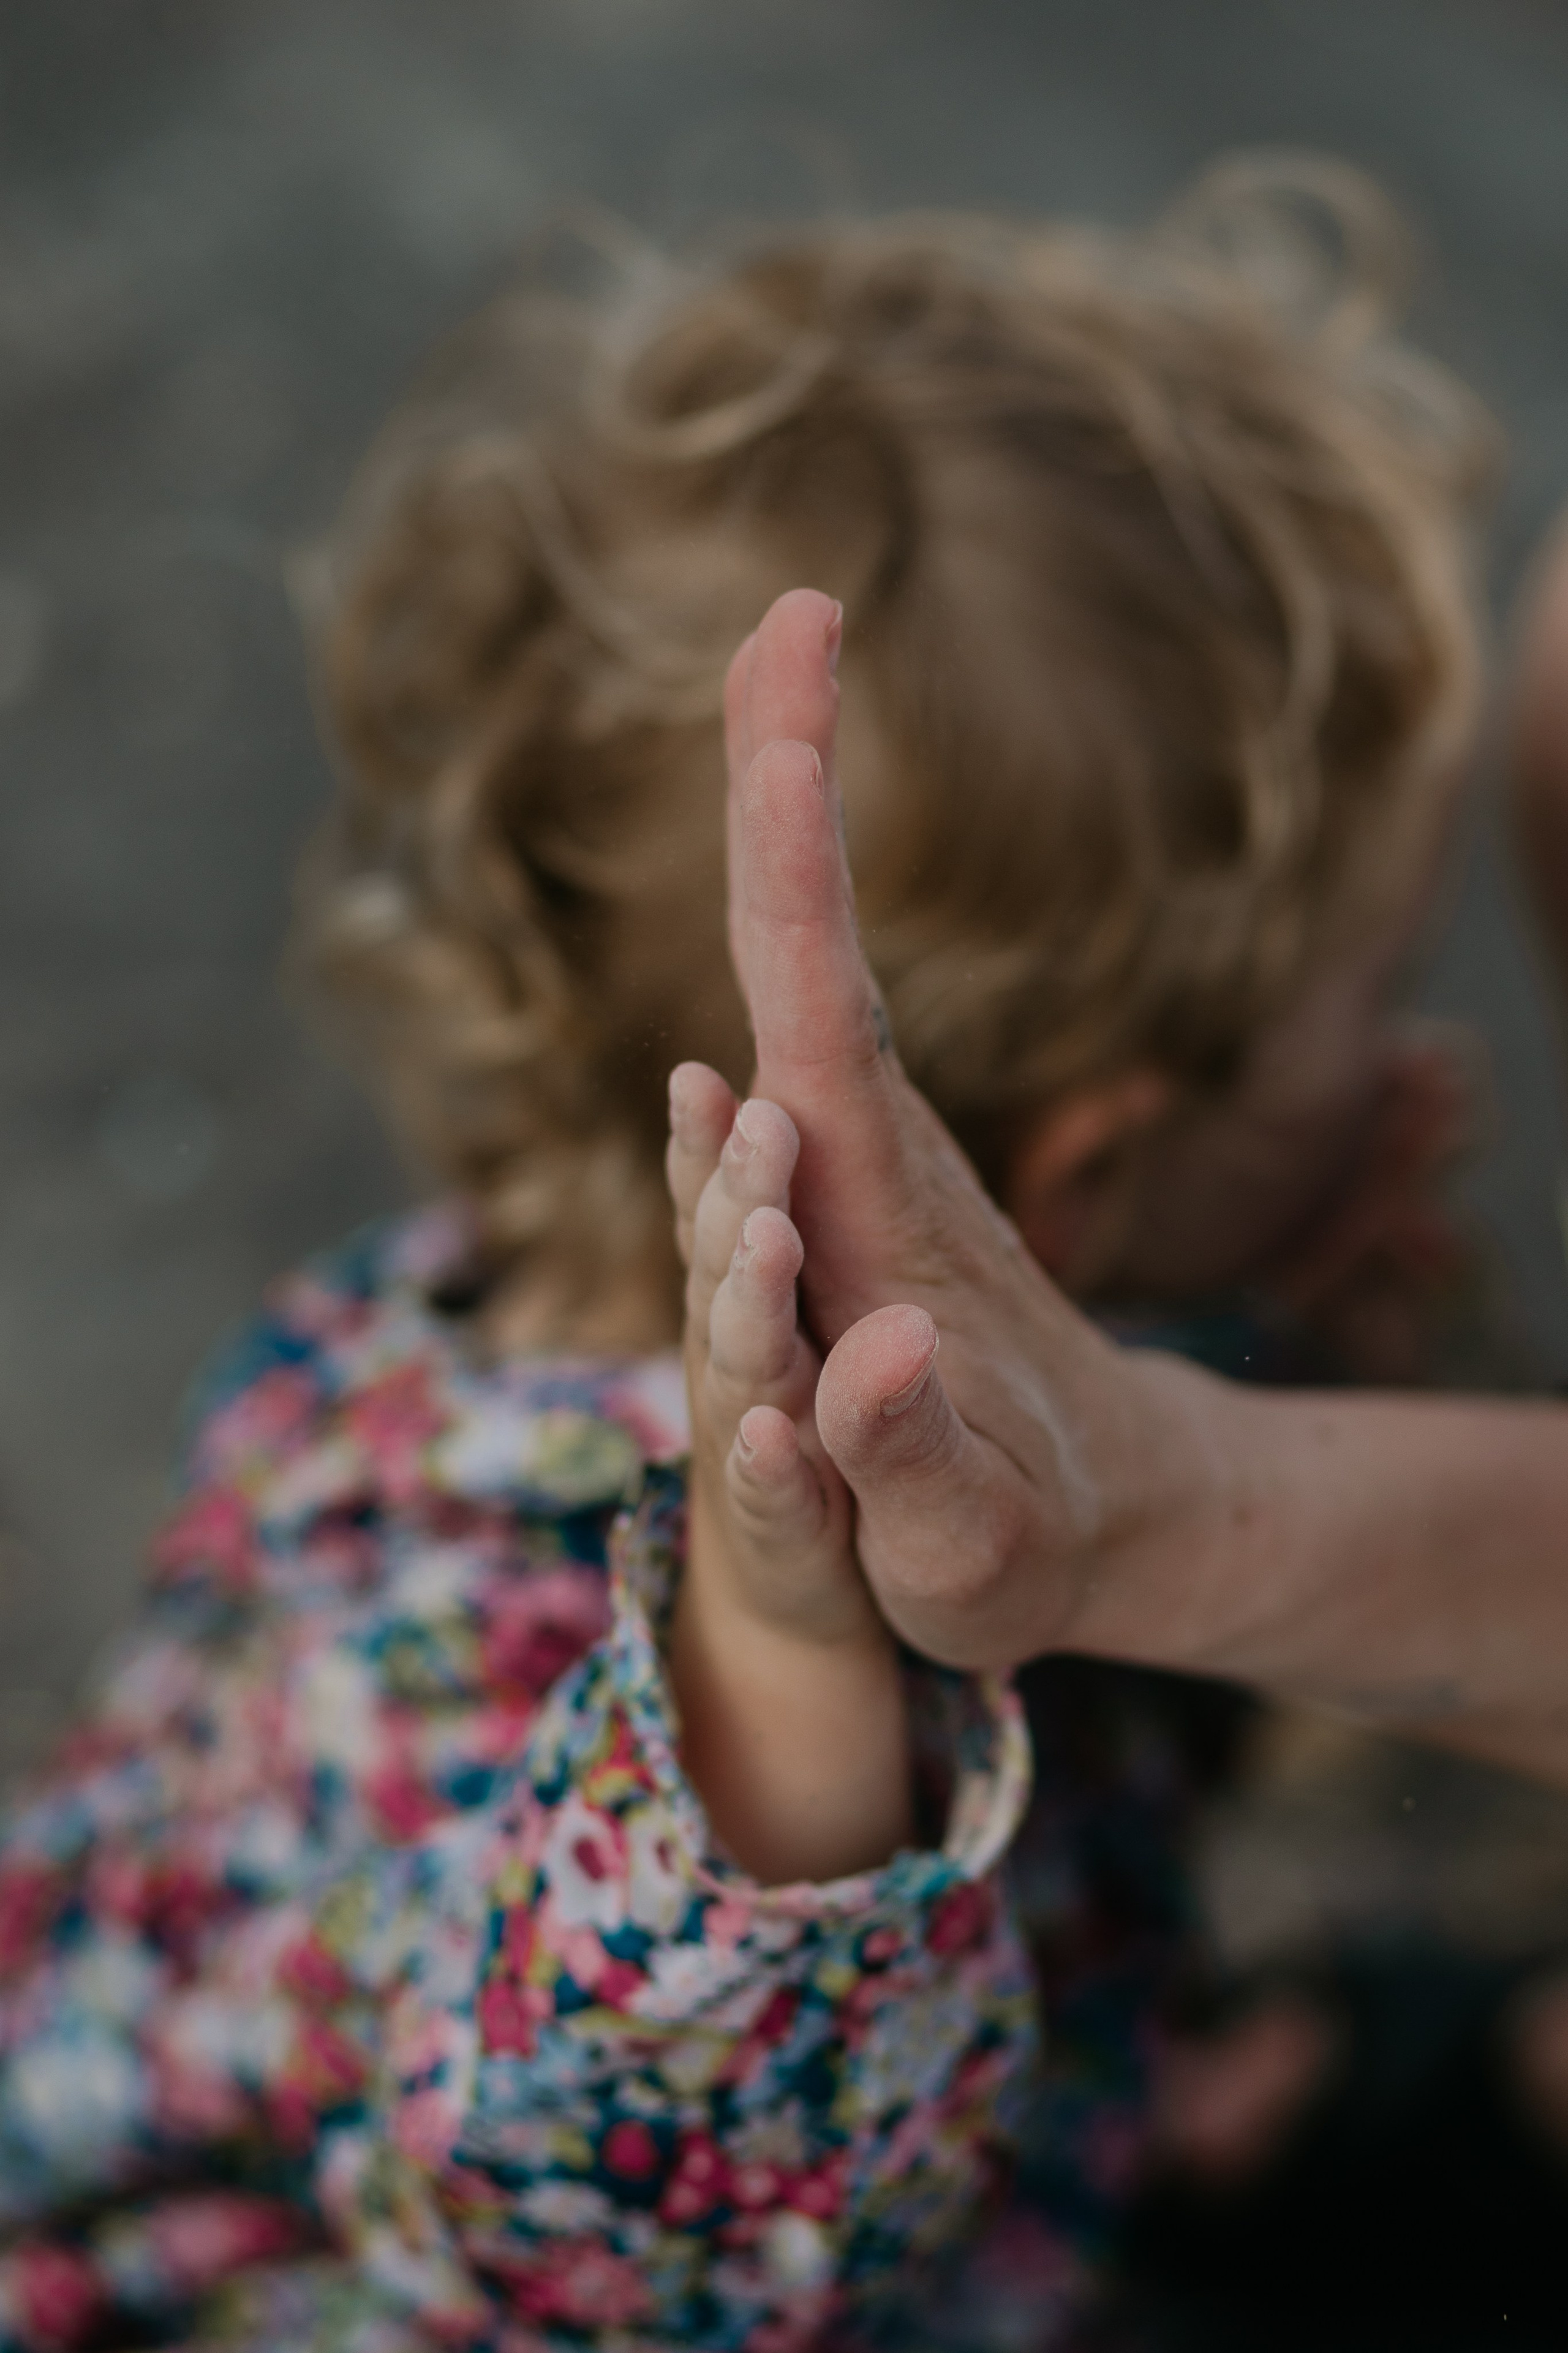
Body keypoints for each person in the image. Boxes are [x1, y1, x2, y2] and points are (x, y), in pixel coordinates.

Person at [0, 166, 1517, 2352]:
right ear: (1084, 1177)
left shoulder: (421, 1313)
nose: (1428, 1061)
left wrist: (1312, 1347)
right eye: (1370, 1003)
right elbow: (627, 2226)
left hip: (998, 2159)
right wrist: (778, 1660)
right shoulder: (473, 1662)